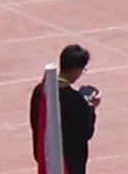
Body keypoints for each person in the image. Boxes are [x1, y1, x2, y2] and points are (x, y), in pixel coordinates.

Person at [30, 44, 99, 174]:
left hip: (46, 156)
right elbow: (86, 132)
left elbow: (35, 122)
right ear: (76, 69)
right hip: (71, 163)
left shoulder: (40, 91)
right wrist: (91, 108)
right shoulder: (76, 100)